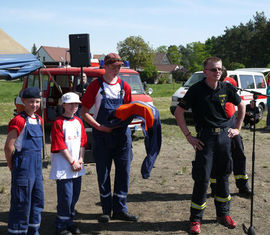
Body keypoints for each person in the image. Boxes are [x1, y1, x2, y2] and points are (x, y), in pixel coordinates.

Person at [174, 57, 245, 234]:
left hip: (224, 138)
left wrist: (237, 129)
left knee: (223, 178)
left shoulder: (227, 87)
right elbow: (178, 112)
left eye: (220, 69)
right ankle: (195, 220)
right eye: (213, 69)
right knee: (202, 179)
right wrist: (189, 136)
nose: (217, 72)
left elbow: (241, 105)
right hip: (205, 139)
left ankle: (223, 214)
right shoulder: (196, 90)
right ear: (205, 71)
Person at [81, 53, 138, 223]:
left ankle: (120, 209)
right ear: (104, 66)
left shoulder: (124, 86)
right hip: (102, 136)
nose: (116, 70)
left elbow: (130, 110)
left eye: (119, 67)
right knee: (103, 173)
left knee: (123, 173)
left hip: (122, 137)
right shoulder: (95, 86)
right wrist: (99, 127)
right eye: (113, 67)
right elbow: (84, 112)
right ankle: (106, 209)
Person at [4, 87, 44, 234]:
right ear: (24, 102)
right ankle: (18, 231)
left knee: (37, 199)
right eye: (31, 102)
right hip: (23, 164)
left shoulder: (38, 119)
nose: (34, 105)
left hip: (37, 165)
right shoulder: (18, 120)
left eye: (37, 102)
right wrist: (12, 166)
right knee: (21, 201)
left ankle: (34, 230)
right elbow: (8, 147)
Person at [210, 68, 252, 198]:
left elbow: (239, 102)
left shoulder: (231, 83)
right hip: (217, 124)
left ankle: (243, 186)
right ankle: (215, 187)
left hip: (232, 121)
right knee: (218, 157)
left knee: (238, 151)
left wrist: (237, 127)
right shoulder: (209, 84)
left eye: (220, 71)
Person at [50, 92, 87, 235]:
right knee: (65, 196)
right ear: (63, 105)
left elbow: (83, 142)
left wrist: (81, 159)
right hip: (64, 167)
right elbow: (60, 145)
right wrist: (72, 161)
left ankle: (70, 221)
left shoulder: (78, 121)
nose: (74, 106)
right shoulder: (58, 123)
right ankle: (61, 225)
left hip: (77, 166)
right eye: (70, 104)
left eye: (76, 104)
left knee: (74, 196)